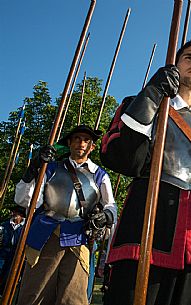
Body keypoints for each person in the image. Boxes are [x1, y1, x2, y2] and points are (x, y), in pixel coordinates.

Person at [100, 39, 191, 305]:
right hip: (150, 221)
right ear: (175, 66)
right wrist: (152, 94)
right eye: (188, 57)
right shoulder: (141, 102)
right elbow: (119, 156)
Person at [14, 124, 117, 305]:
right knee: (35, 293)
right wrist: (33, 169)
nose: (81, 143)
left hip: (80, 237)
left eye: (86, 140)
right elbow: (26, 201)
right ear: (69, 143)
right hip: (46, 235)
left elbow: (111, 205)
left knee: (73, 297)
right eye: (77, 138)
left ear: (92, 146)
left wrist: (106, 216)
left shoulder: (100, 175)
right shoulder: (51, 168)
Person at [0, 205, 25, 292]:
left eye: (15, 212)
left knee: (9, 274)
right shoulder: (5, 225)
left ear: (21, 215)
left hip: (16, 254)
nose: (12, 214)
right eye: (13, 212)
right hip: (4, 251)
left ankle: (2, 292)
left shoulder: (25, 228)